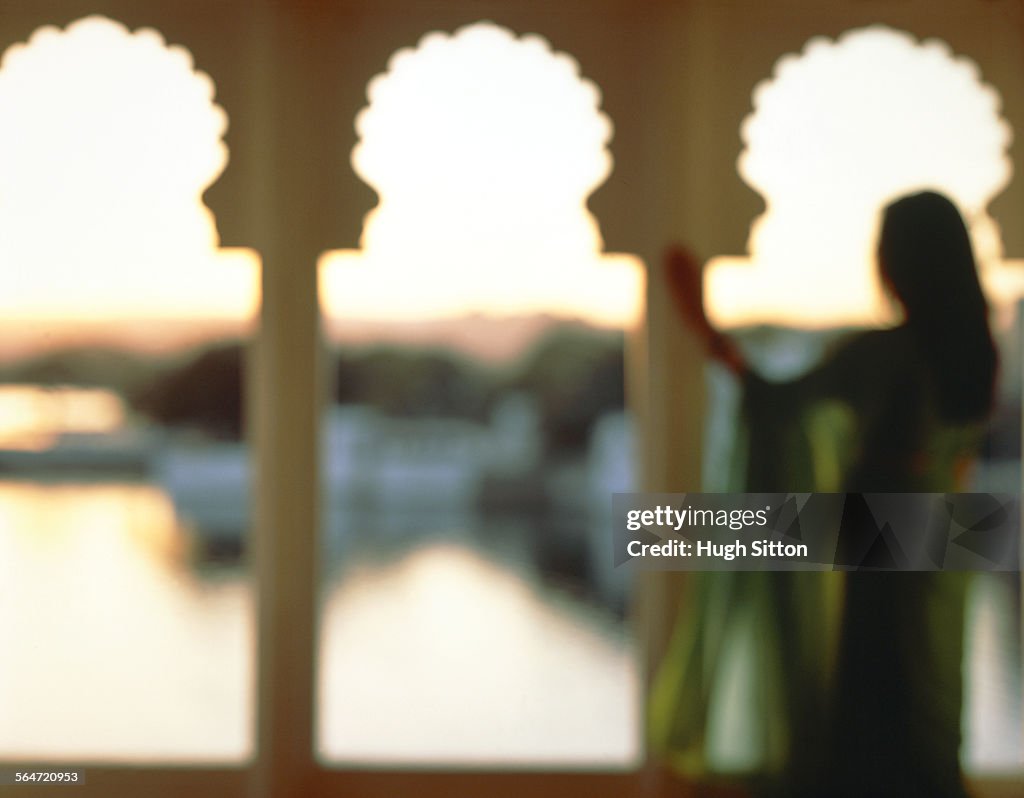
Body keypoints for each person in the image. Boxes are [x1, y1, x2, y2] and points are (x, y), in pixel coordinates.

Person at [651, 190, 997, 797]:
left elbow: (777, 403)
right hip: (958, 534)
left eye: (885, 249)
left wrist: (704, 327)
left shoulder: (887, 351)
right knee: (935, 694)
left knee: (875, 702)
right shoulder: (978, 353)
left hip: (884, 539)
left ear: (905, 262)